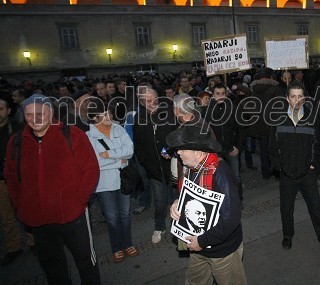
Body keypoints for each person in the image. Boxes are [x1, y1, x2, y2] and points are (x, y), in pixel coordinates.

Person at [3, 94, 101, 284]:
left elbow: (91, 169)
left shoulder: (72, 134)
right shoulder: (17, 142)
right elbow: (11, 177)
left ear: (51, 113)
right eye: (29, 114)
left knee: (85, 262)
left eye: (40, 113)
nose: (35, 118)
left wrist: (79, 200)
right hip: (39, 221)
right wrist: (21, 205)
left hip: (72, 215)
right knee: (52, 266)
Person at [168, 124, 247, 285]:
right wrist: (177, 203)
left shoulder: (221, 174)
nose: (178, 153)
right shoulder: (191, 168)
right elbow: (186, 194)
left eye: (183, 149)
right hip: (197, 245)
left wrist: (202, 241)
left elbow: (231, 219)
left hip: (222, 251)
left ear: (198, 153)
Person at [269, 81, 320, 255]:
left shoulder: (311, 119)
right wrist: (279, 167)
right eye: (293, 96)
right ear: (287, 98)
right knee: (286, 208)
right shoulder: (278, 120)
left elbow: (319, 143)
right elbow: (272, 147)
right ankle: (287, 236)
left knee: (316, 208)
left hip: (308, 173)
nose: (297, 100)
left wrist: (313, 164)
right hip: (287, 174)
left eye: (300, 96)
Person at [86, 99, 139, 263]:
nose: (108, 116)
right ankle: (117, 247)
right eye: (103, 114)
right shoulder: (89, 136)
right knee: (111, 216)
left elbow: (129, 151)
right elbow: (95, 162)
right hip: (103, 183)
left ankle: (128, 243)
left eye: (108, 113)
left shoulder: (119, 129)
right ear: (94, 118)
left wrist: (108, 155)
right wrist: (118, 160)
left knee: (124, 214)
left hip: (123, 180)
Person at [133, 86, 177, 244]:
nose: (153, 103)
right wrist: (146, 164)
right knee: (159, 202)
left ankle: (180, 226)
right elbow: (138, 146)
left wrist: (169, 150)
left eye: (155, 99)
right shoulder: (139, 119)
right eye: (148, 100)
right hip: (154, 170)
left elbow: (175, 135)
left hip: (173, 166)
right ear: (142, 102)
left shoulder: (168, 113)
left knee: (178, 199)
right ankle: (159, 227)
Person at [0, 98, 34, 265]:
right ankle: (13, 247)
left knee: (27, 208)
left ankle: (34, 242)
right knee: (6, 215)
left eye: (0, 108)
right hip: (1, 181)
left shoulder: (20, 130)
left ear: (8, 111)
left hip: (21, 177)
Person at [249, 67, 282, 180]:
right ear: (270, 76)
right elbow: (279, 107)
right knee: (274, 148)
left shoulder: (254, 89)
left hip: (260, 123)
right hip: (273, 123)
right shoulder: (275, 89)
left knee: (263, 148)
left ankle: (265, 172)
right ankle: (276, 170)